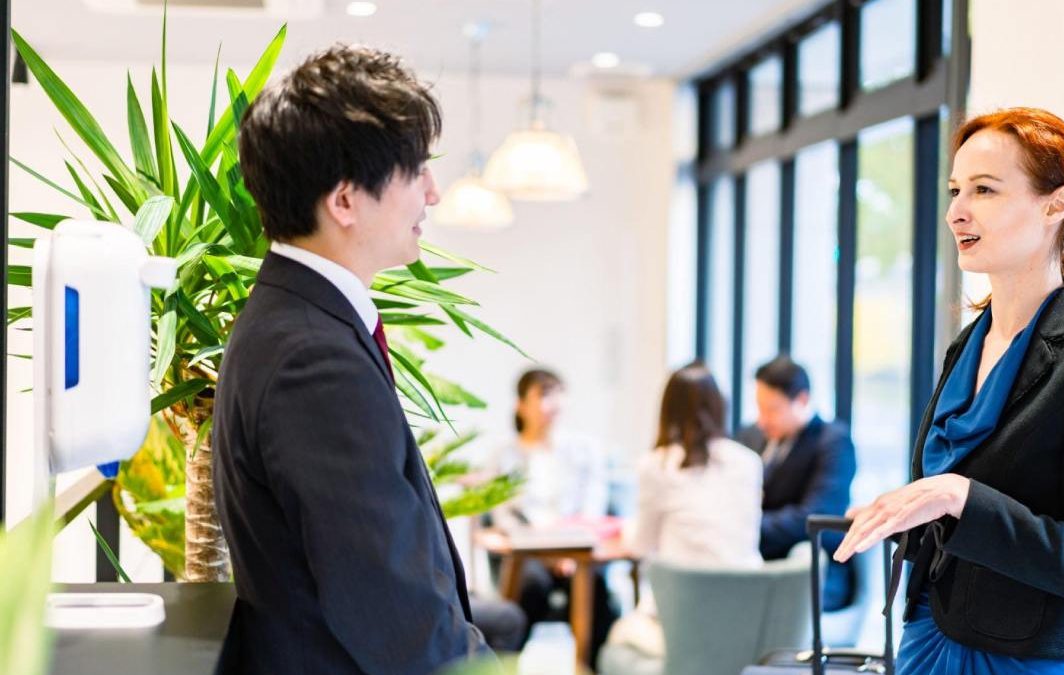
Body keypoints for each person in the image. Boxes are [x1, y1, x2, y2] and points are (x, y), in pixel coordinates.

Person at [832, 108, 1064, 674]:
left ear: (1056, 206)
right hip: (928, 637)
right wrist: (907, 513)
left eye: (984, 190)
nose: (956, 211)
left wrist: (959, 497)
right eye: (956, 189)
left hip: (1027, 660)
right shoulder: (966, 346)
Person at [212, 44, 493, 674]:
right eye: (416, 170)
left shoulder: (293, 317)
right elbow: (393, 611)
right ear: (345, 201)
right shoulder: (312, 360)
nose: (434, 193)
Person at [606, 362, 763, 657]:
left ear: (668, 410)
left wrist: (625, 529)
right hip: (744, 616)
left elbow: (641, 544)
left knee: (616, 635)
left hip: (681, 620)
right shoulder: (749, 462)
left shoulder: (657, 465)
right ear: (719, 406)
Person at [484, 368, 615, 664]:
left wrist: (569, 552)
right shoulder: (504, 454)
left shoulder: (585, 450)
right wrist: (547, 553)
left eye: (558, 394)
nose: (553, 403)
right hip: (528, 553)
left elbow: (593, 507)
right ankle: (506, 666)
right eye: (543, 395)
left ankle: (591, 667)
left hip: (577, 552)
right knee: (529, 589)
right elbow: (503, 516)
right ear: (521, 405)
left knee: (596, 592)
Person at [737, 355, 856, 609]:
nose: (762, 420)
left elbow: (816, 516)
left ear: (801, 400)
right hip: (752, 562)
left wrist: (744, 526)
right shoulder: (751, 437)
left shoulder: (832, 442)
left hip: (812, 571)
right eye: (759, 408)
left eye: (771, 410)